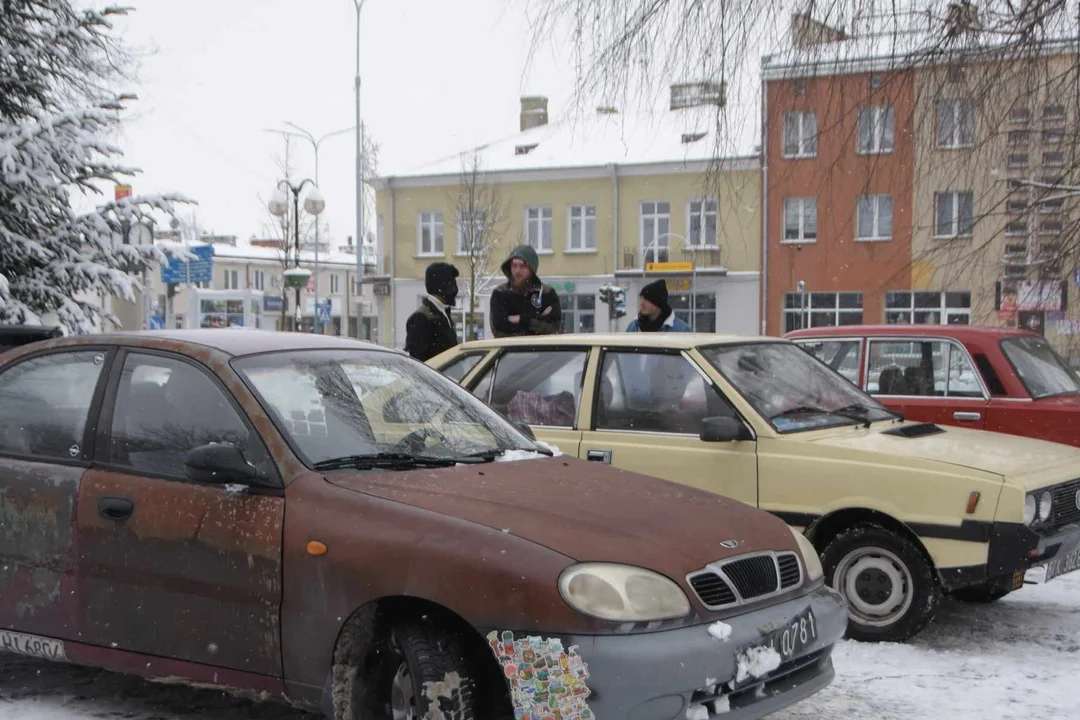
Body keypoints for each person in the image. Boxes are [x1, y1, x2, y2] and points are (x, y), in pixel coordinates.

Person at [490, 244, 562, 337]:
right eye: (514, 265)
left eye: (522, 266)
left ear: (532, 268)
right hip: (509, 350)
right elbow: (499, 328)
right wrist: (537, 319)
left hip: (542, 350)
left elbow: (553, 328)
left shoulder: (547, 294)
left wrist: (520, 319)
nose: (517, 271)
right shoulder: (500, 294)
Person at [404, 261, 460, 362]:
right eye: (451, 282)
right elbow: (417, 362)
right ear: (441, 285)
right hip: (434, 376)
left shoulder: (444, 312)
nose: (455, 289)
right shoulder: (421, 317)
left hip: (446, 376)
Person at [626, 279, 693, 332]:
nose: (641, 303)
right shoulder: (634, 327)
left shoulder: (681, 329)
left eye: (646, 300)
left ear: (657, 304)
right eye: (641, 299)